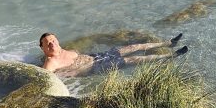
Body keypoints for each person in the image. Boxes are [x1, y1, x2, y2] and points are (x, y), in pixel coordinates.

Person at [39, 32, 187, 77]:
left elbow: (78, 54)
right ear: (44, 49)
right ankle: (169, 56)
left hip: (98, 56)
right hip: (97, 66)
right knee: (133, 59)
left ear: (57, 39)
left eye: (52, 40)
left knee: (135, 46)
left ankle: (168, 42)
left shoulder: (65, 50)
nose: (52, 43)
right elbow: (47, 77)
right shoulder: (51, 62)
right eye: (48, 43)